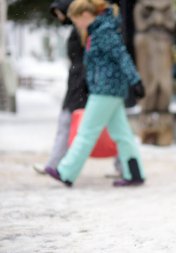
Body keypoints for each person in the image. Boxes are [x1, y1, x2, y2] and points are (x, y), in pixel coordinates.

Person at [45, 0, 146, 187]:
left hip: (105, 89)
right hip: (108, 89)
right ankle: (135, 173)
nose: (76, 25)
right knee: (122, 134)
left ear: (85, 15)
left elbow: (121, 55)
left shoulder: (103, 31)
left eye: (76, 20)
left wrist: (136, 80)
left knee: (86, 132)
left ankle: (66, 172)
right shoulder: (99, 29)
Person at [33, 0, 89, 174]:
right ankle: (55, 164)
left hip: (81, 85)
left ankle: (55, 165)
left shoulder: (83, 30)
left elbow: (84, 61)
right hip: (77, 83)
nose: (58, 17)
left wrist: (81, 81)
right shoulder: (77, 30)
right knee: (98, 126)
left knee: (69, 123)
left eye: (59, 13)